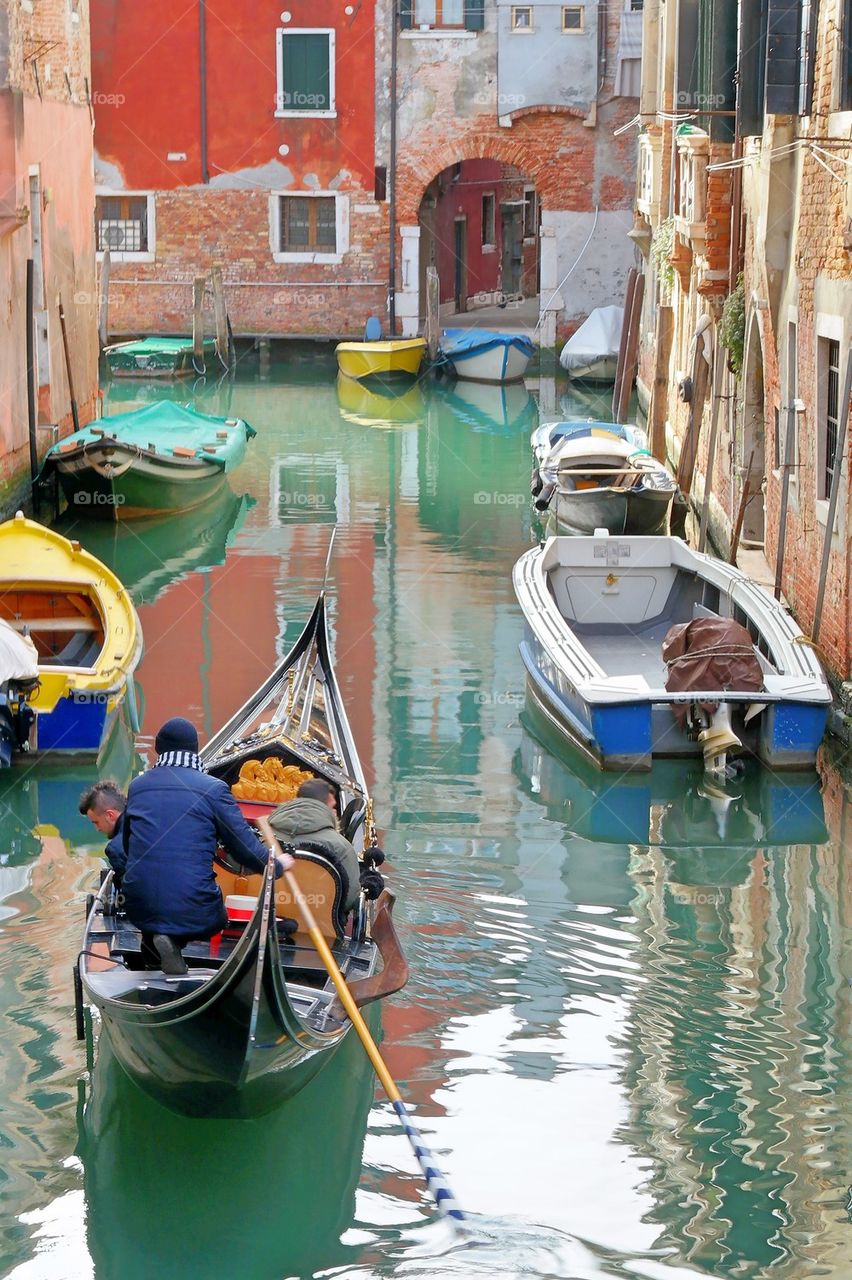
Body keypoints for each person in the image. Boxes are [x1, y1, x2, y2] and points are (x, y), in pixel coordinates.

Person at [121, 717, 293, 974]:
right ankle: (173, 941)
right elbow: (244, 848)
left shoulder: (138, 786)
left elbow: (126, 846)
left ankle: (156, 948)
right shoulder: (214, 789)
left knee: (157, 902)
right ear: (194, 748)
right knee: (217, 918)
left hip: (135, 903)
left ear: (158, 748)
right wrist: (277, 865)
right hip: (193, 906)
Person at [269, 777, 361, 910]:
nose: (335, 812)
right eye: (333, 807)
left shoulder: (263, 834)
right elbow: (349, 900)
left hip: (268, 915)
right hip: (322, 924)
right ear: (324, 806)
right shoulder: (342, 847)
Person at [79, 779, 128, 884]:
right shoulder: (145, 821)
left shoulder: (116, 849)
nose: (97, 829)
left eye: (96, 822)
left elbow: (131, 892)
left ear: (110, 815)